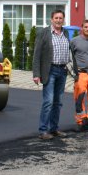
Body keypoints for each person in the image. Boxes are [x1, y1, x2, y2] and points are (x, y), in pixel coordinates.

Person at [32, 9, 70, 140]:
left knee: (58, 102)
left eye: (61, 18)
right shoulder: (44, 33)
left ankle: (53, 129)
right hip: (50, 71)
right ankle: (43, 131)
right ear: (51, 19)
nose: (59, 20)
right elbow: (37, 54)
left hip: (62, 71)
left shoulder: (65, 33)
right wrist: (36, 74)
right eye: (56, 18)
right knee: (48, 101)